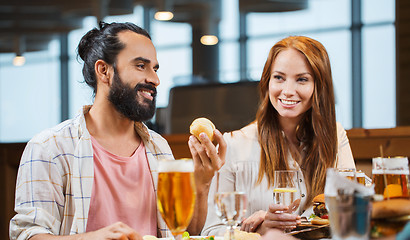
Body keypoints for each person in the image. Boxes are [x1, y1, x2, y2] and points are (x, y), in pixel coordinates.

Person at [9, 22, 226, 240]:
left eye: (155, 68)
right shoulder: (50, 148)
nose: (155, 80)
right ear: (104, 71)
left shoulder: (158, 147)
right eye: (141, 66)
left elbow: (188, 232)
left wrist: (203, 181)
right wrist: (93, 238)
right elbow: (28, 235)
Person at [201, 36, 355, 236]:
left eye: (302, 79)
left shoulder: (335, 136)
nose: (288, 91)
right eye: (279, 78)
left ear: (319, 86)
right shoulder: (234, 145)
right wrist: (261, 230)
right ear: (267, 82)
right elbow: (211, 232)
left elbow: (351, 212)